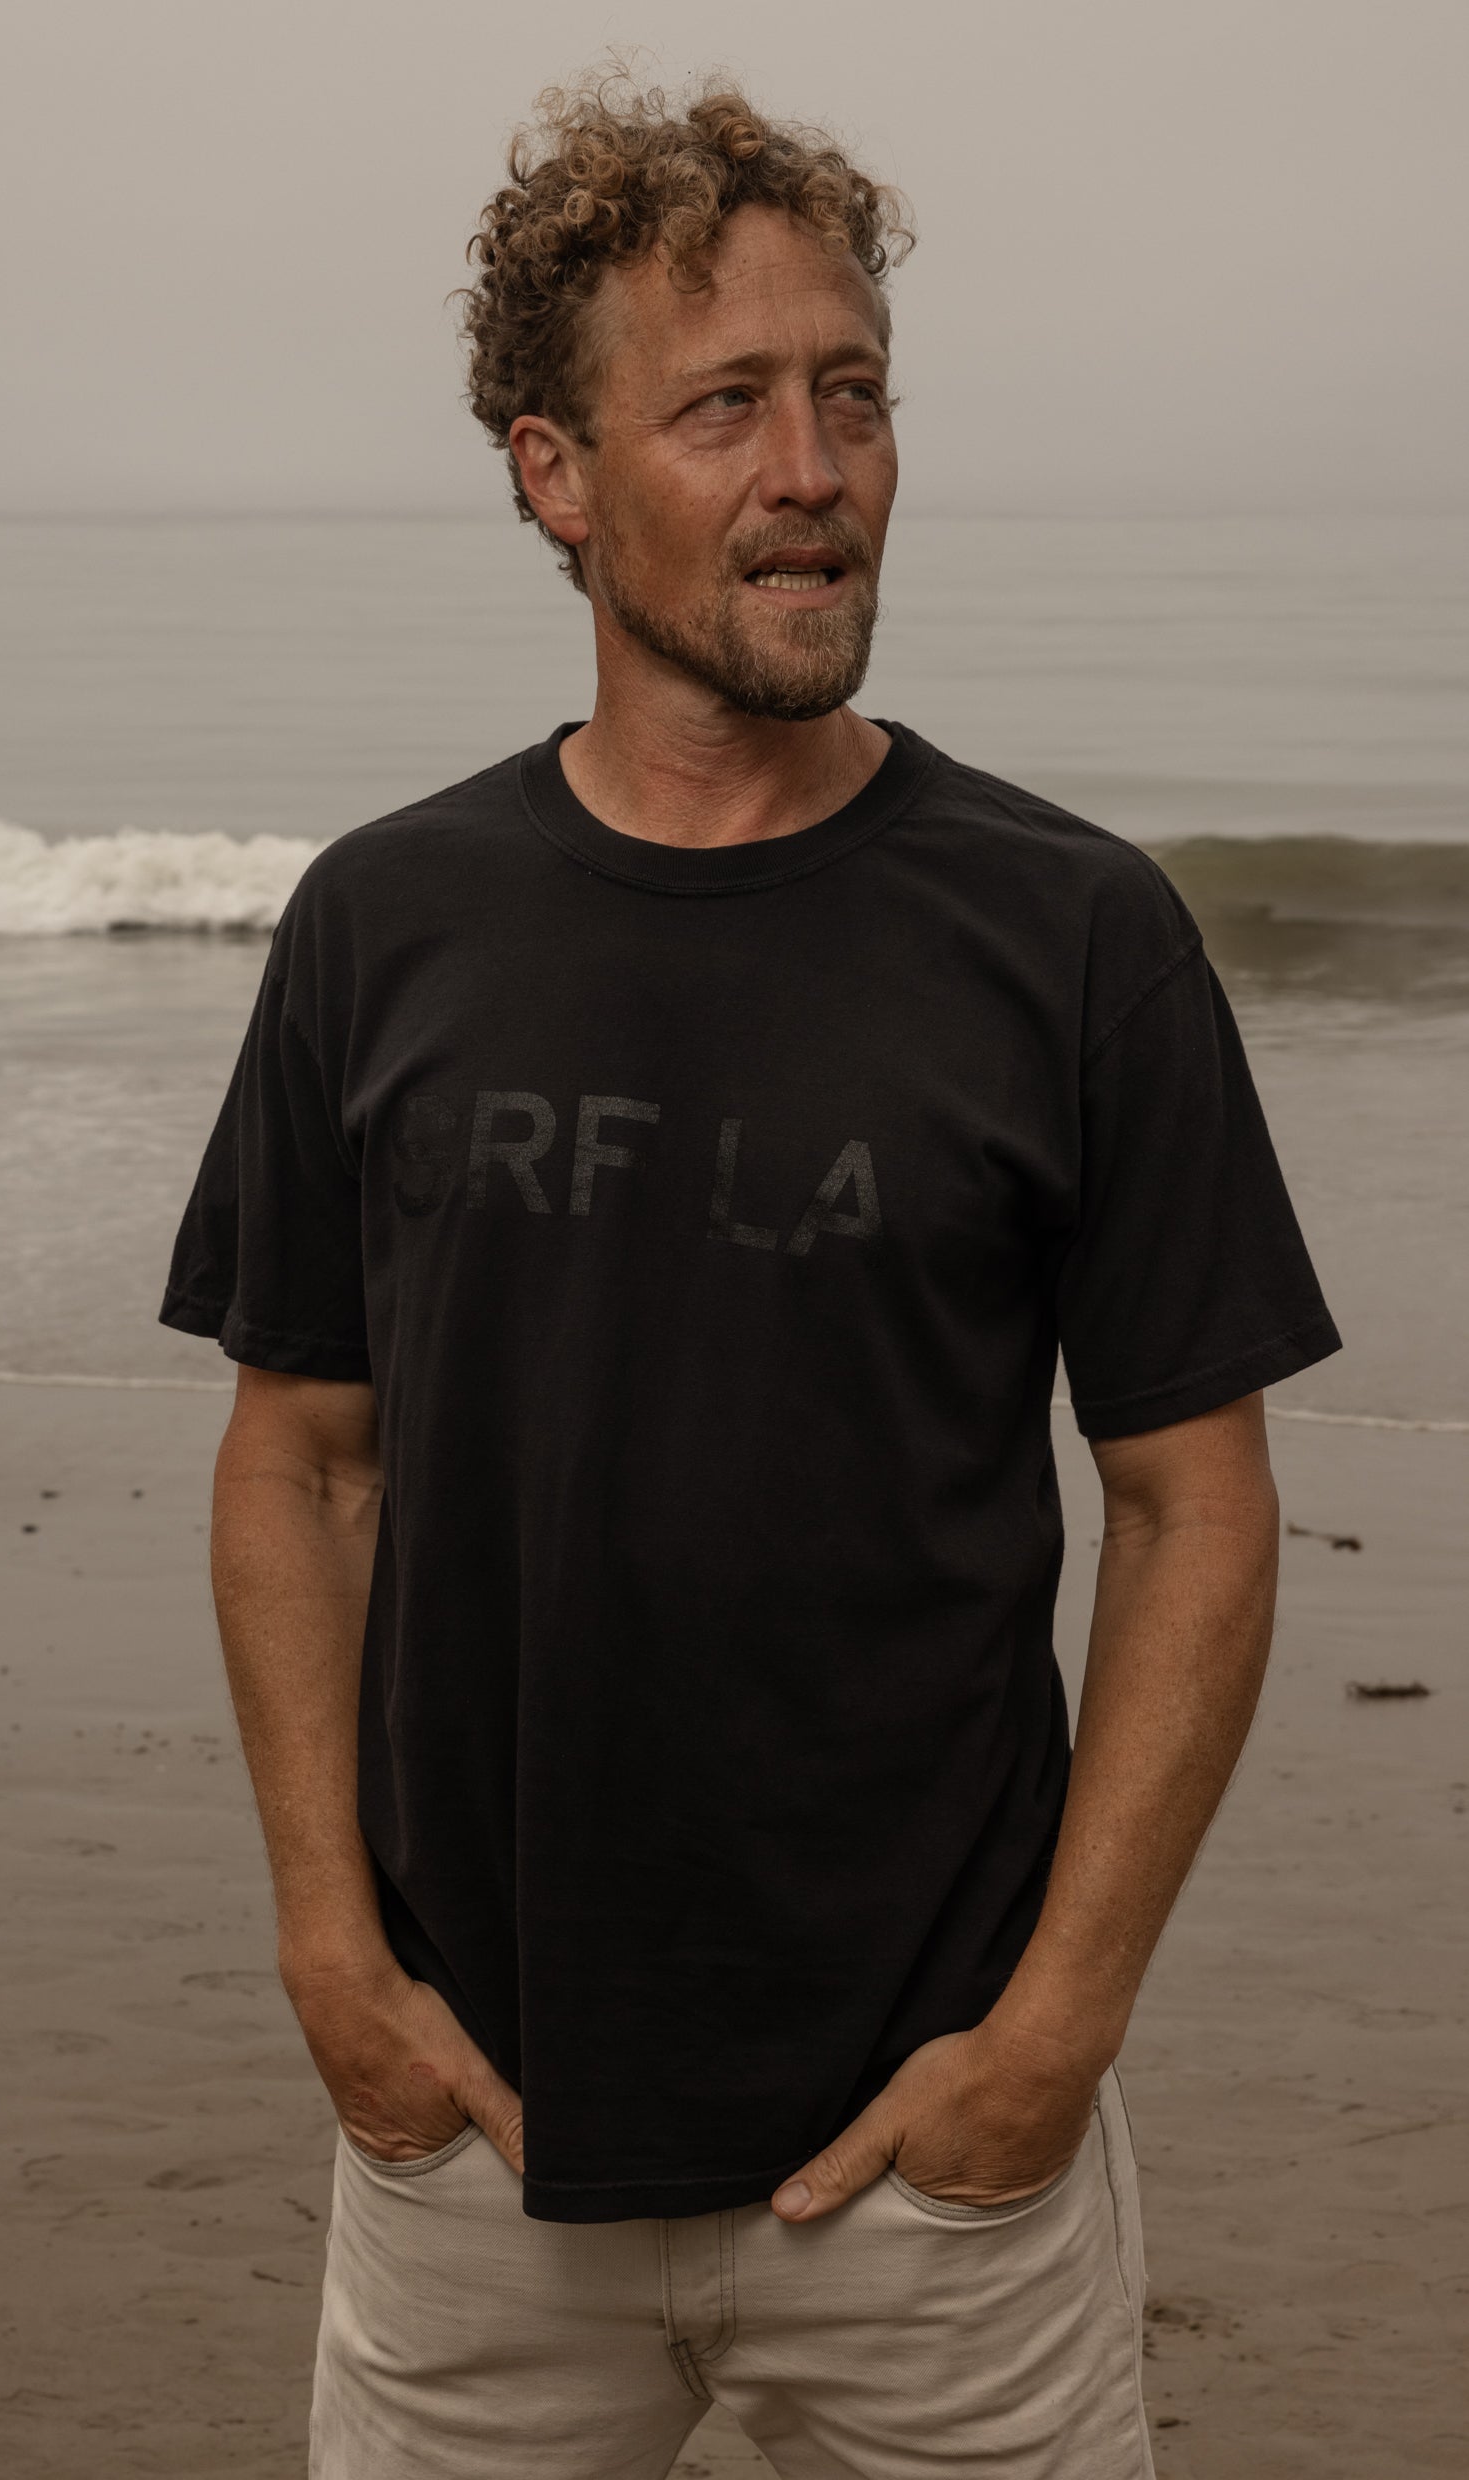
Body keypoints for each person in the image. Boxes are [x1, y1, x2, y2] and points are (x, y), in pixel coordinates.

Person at [160, 72, 1340, 2480]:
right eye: (723, 406)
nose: (812, 470)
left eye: (852, 395)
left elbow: (1191, 1503)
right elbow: (300, 1461)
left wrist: (1052, 2034)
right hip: (472, 2140)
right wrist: (330, 1957)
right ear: (551, 472)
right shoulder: (384, 924)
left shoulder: (1071, 936)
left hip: (933, 2173)